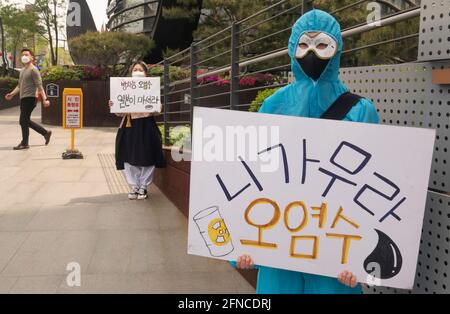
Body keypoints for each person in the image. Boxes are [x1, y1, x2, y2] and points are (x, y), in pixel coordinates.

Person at [234, 9, 379, 294]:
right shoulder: (272, 105)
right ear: (291, 48)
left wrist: (361, 257)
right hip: (279, 242)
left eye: (322, 44)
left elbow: (370, 187)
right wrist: (243, 243)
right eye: (303, 44)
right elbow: (252, 177)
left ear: (337, 48)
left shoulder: (361, 110)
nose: (312, 52)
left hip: (336, 250)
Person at [109, 61, 166, 200]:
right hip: (129, 126)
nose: (137, 71)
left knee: (148, 156)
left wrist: (156, 104)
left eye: (140, 69)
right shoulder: (123, 89)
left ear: (146, 74)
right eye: (135, 69)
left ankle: (143, 186)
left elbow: (157, 110)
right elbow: (119, 112)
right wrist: (114, 105)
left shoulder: (151, 89)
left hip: (146, 126)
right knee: (128, 156)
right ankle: (134, 185)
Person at [4, 48, 52, 150]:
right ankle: (45, 133)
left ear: (32, 57)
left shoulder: (33, 70)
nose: (24, 57)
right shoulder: (22, 71)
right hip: (24, 98)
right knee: (25, 121)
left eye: (26, 54)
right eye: (22, 55)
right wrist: (11, 94)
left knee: (23, 120)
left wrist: (45, 99)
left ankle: (25, 143)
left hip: (31, 98)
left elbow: (40, 86)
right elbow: (19, 85)